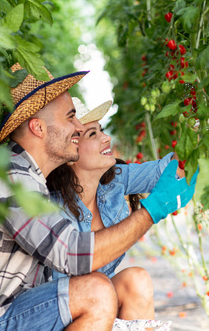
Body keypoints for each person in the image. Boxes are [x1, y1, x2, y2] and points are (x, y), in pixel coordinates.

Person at [0, 63, 197, 331]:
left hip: (12, 314)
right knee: (96, 292)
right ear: (38, 128)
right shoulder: (9, 178)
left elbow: (169, 169)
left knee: (126, 282)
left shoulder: (32, 178)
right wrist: (151, 211)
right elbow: (72, 254)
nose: (78, 126)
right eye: (71, 117)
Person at [46, 97, 184, 323]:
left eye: (101, 130)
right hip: (58, 312)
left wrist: (198, 132)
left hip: (100, 300)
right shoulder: (52, 207)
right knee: (98, 291)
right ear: (70, 150)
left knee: (136, 280)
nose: (106, 138)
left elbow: (170, 171)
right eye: (92, 134)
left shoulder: (113, 181)